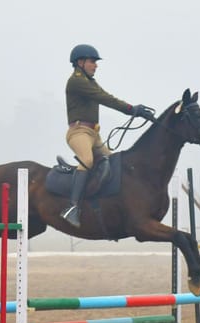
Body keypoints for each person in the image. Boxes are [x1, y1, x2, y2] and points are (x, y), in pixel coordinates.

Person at [60, 44, 153, 227]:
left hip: (94, 134)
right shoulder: (77, 81)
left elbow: (105, 95)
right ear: (80, 62)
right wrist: (131, 109)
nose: (96, 65)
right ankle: (72, 208)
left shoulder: (89, 81)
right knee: (87, 160)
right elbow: (105, 98)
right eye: (92, 62)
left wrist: (137, 111)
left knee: (113, 164)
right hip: (79, 132)